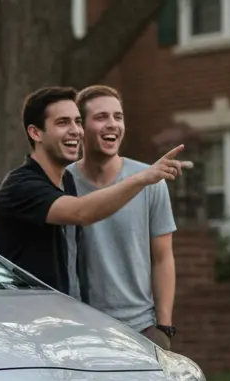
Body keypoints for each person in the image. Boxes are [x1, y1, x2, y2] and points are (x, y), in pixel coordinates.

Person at [0, 85, 185, 298]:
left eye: (77, 121)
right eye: (63, 122)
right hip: (27, 323)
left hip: (70, 321)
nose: (75, 130)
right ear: (36, 132)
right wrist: (142, 178)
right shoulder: (21, 185)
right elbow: (81, 212)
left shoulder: (67, 181)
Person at [64, 84, 178, 349]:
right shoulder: (60, 183)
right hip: (78, 328)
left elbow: (162, 257)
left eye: (118, 117)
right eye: (101, 117)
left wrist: (163, 327)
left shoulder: (151, 181)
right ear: (80, 127)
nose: (112, 124)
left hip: (141, 329)